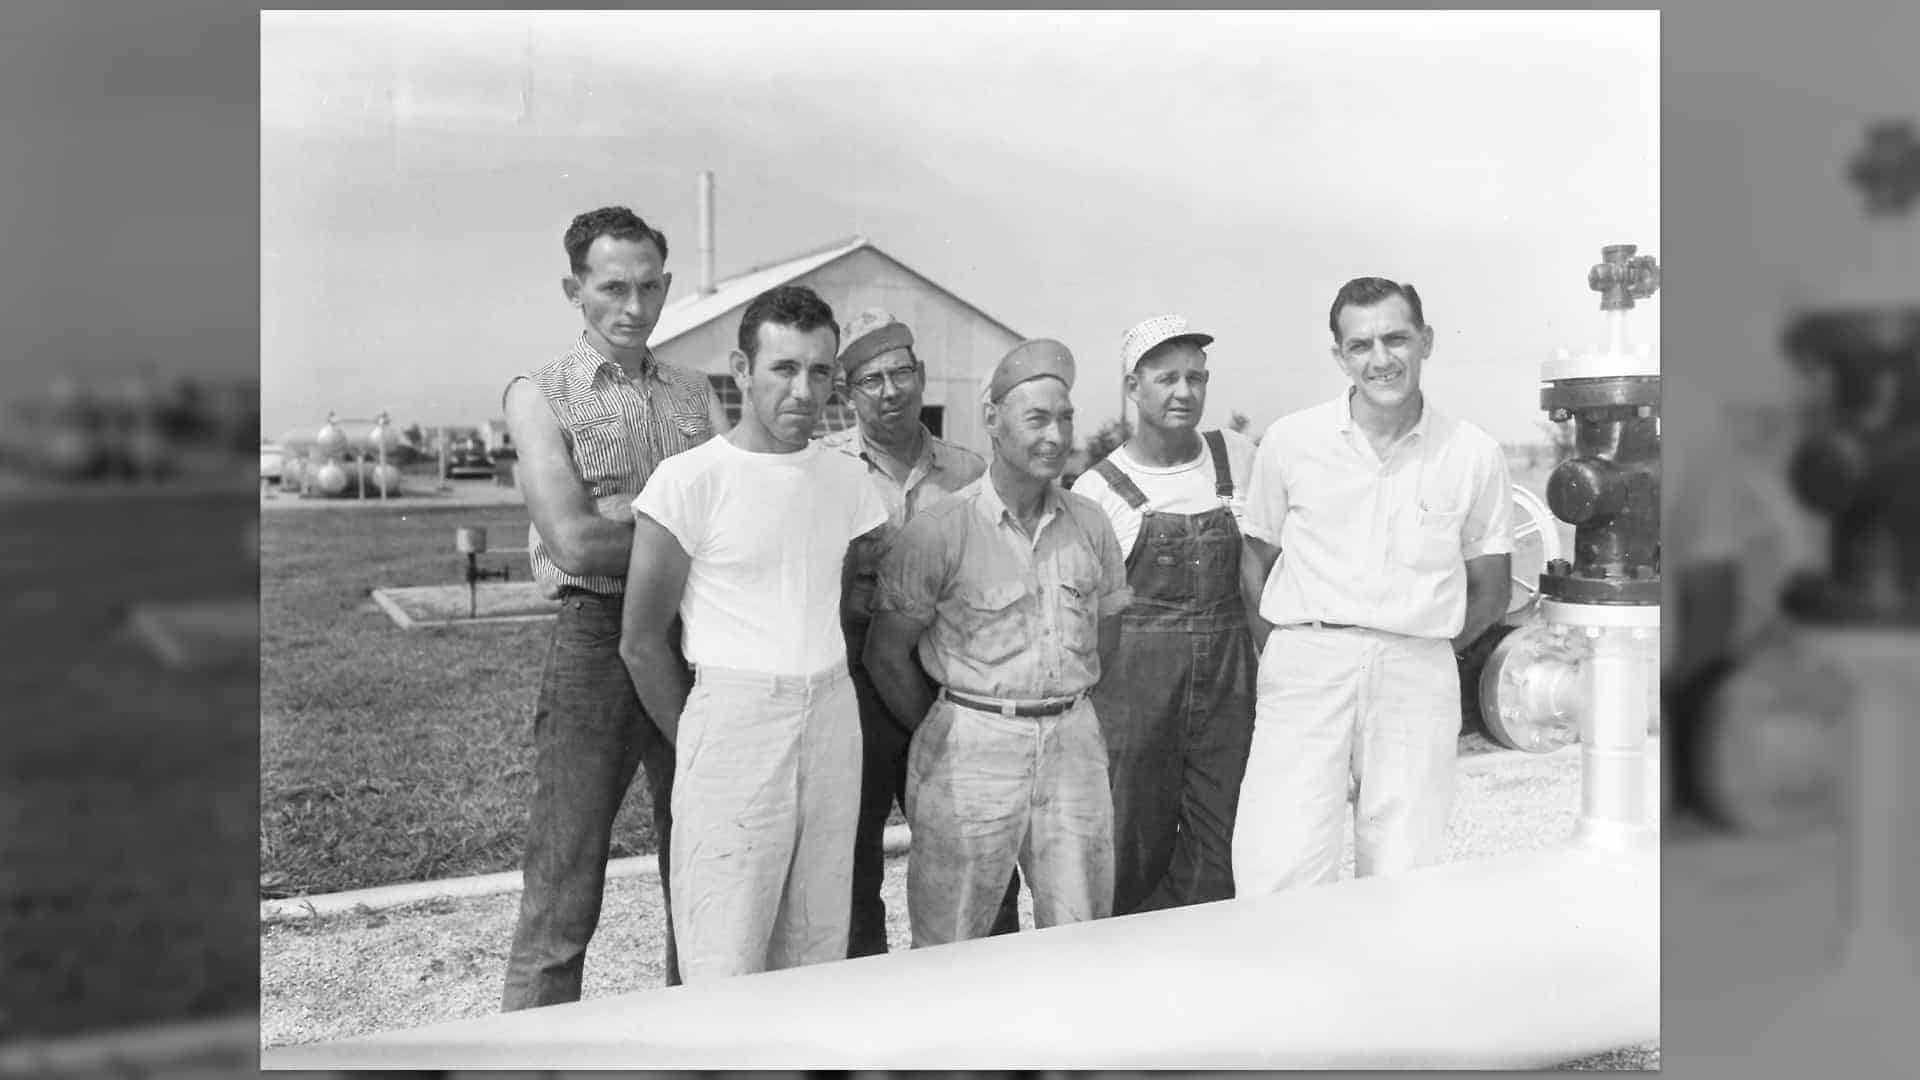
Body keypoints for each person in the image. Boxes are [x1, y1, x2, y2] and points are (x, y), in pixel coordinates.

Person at [618, 284, 888, 981]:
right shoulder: (689, 482)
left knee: (817, 942)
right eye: (783, 368)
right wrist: (705, 739)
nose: (804, 390)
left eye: (820, 371)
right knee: (726, 949)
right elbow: (641, 641)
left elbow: (834, 599)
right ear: (741, 371)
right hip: (733, 719)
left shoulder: (848, 481)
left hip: (831, 713)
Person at [499, 206, 727, 1009]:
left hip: (693, 638)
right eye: (613, 288)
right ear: (575, 290)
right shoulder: (539, 395)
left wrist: (636, 520)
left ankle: (699, 1045)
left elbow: (739, 519)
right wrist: (690, 532)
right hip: (596, 639)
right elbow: (575, 543)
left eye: (650, 287)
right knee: (563, 890)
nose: (634, 306)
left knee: (702, 873)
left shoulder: (697, 393)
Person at [1234, 277, 1514, 893]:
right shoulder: (1291, 441)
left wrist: (1419, 645)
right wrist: (1290, 651)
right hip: (1306, 664)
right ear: (1339, 356)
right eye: (1360, 345)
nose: (1380, 359)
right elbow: (1255, 564)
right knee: (1277, 866)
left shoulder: (1472, 453)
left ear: (1426, 341)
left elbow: (1492, 588)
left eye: (1396, 339)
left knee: (1402, 872)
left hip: (1417, 672)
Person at [864, 338, 1131, 946]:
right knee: (951, 939)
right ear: (993, 420)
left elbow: (1106, 637)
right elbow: (886, 654)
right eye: (1037, 419)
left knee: (1083, 935)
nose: (1056, 436)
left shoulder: (1090, 524)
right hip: (971, 745)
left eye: (1065, 418)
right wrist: (957, 722)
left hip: (1072, 746)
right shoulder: (941, 530)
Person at [820, 309, 1022, 956]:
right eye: (871, 380)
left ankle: (988, 991)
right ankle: (868, 1000)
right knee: (850, 868)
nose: (890, 391)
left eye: (901, 373)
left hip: (945, 683)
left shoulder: (970, 474)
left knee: (978, 854)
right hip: (852, 686)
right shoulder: (823, 470)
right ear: (847, 392)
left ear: (922, 375)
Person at [1071, 315, 1259, 915]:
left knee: (1223, 848)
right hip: (1135, 701)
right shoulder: (1097, 490)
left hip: (1231, 690)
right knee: (1129, 846)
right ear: (1133, 386)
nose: (1184, 392)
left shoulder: (1238, 458)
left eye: (1196, 378)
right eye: (1167, 378)